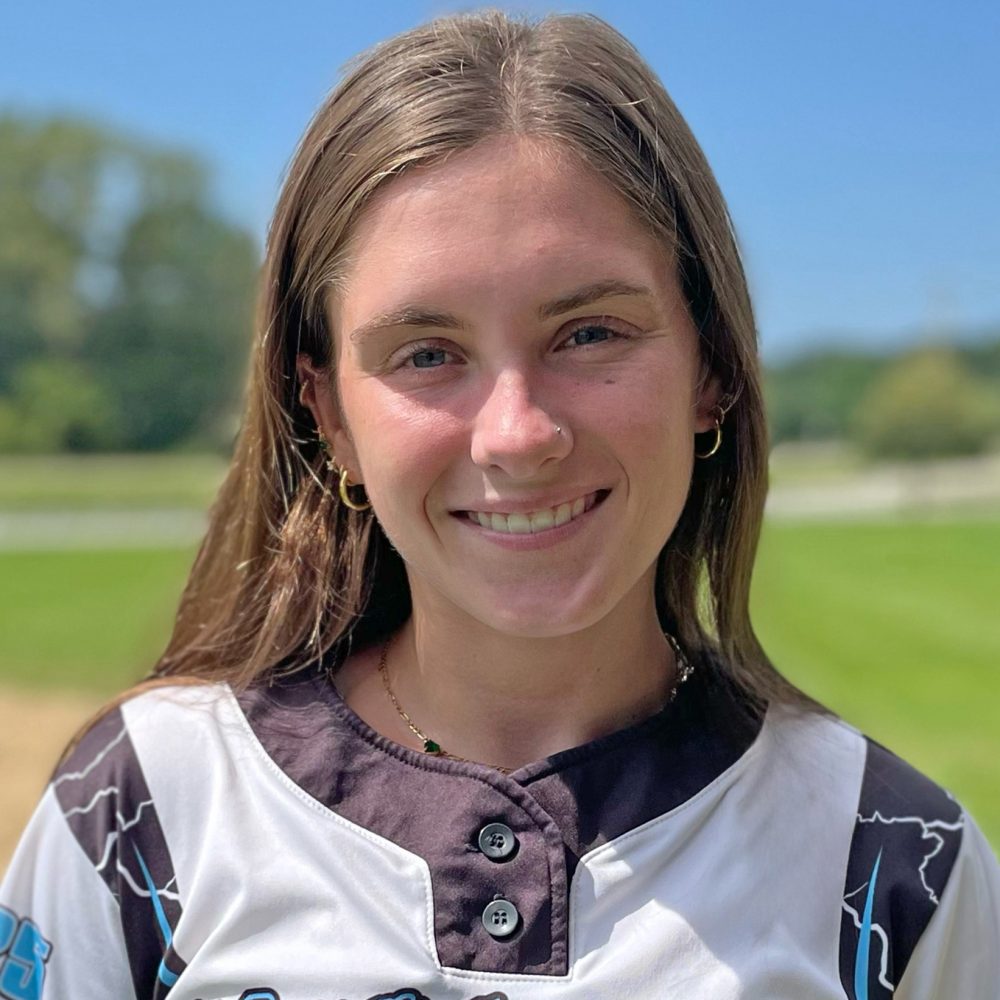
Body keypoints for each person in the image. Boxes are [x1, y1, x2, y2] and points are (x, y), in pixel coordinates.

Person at [2, 10, 997, 1000]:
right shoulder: (142, 815)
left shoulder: (893, 865)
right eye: (427, 354)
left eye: (590, 333)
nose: (517, 433)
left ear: (712, 370)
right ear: (329, 412)